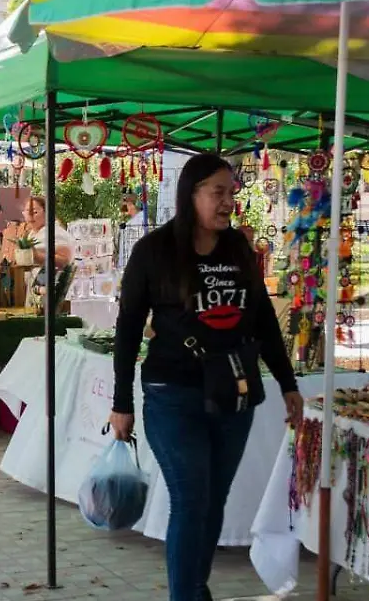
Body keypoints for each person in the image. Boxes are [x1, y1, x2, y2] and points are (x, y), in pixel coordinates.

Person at [108, 153, 302, 601]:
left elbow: (263, 322)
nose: (228, 201)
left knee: (214, 499)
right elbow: (128, 327)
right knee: (192, 498)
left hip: (232, 393)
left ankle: (196, 587)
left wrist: (287, 382)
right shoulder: (154, 251)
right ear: (191, 193)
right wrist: (122, 402)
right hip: (171, 394)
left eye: (232, 192)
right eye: (218, 192)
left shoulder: (238, 249)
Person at [22, 196, 73, 268]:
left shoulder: (55, 232)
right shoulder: (32, 233)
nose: (30, 216)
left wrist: (36, 256)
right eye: (27, 212)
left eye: (34, 212)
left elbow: (64, 260)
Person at [118, 194, 146, 271]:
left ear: (130, 205)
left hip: (134, 265)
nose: (122, 209)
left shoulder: (140, 219)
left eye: (124, 206)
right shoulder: (133, 221)